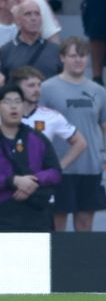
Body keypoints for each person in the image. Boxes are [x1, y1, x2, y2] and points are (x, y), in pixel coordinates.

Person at [40, 38, 106, 232]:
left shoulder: (98, 91)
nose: (78, 60)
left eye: (82, 56)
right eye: (73, 56)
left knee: (85, 225)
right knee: (57, 224)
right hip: (58, 165)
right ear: (62, 58)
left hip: (90, 166)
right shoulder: (47, 88)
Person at [0, 84, 62, 232]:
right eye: (7, 102)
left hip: (37, 214)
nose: (13, 106)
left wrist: (32, 181)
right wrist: (13, 181)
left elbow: (55, 172)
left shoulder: (37, 138)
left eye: (18, 102)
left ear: (23, 106)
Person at [12, 66, 87, 172]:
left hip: (40, 177)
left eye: (39, 85)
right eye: (31, 85)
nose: (37, 90)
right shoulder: (4, 114)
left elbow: (80, 142)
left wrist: (59, 167)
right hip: (9, 177)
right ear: (17, 88)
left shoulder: (52, 116)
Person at [0, 0, 62, 84]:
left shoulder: (55, 50)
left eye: (37, 14)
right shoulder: (6, 51)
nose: (33, 18)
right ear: (18, 20)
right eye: (28, 14)